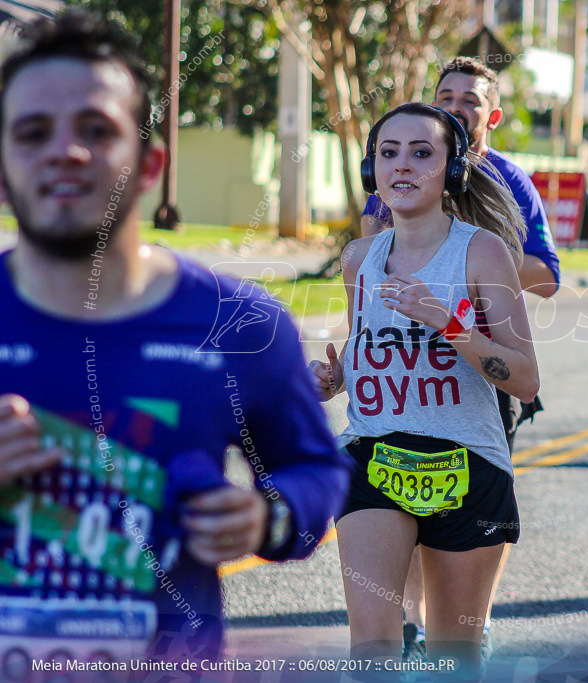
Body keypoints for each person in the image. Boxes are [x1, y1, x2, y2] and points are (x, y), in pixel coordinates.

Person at [0, 11, 351, 663]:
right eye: (32, 132)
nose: (66, 150)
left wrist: (266, 517)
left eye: (97, 129)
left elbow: (318, 471)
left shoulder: (243, 324)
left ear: (151, 161)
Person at [311, 102, 538, 678]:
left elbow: (525, 376)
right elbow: (370, 347)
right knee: (372, 652)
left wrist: (451, 324)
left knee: (453, 658)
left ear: (451, 170)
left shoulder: (481, 251)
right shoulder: (359, 259)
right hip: (373, 453)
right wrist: (336, 380)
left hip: (468, 464)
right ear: (372, 172)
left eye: (421, 153)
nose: (402, 166)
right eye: (388, 154)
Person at [359, 57, 557, 661]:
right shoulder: (375, 226)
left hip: (476, 390)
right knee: (373, 639)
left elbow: (546, 276)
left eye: (469, 99)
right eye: (445, 93)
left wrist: (459, 264)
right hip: (380, 429)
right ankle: (413, 625)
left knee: (458, 639)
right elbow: (366, 307)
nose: (455, 104)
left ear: (487, 117)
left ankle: (462, 628)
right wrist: (333, 375)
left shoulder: (504, 186)